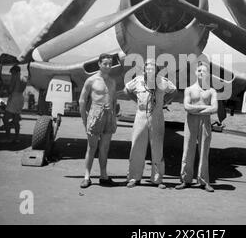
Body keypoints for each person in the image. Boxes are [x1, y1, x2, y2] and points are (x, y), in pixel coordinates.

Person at [124, 59, 176, 189]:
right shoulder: (138, 80)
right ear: (144, 69)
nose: (150, 70)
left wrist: (164, 102)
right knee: (136, 146)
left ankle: (157, 179)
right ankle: (134, 178)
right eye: (148, 67)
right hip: (141, 115)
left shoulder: (162, 81)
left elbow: (174, 91)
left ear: (157, 70)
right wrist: (135, 101)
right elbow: (126, 90)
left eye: (153, 67)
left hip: (157, 116)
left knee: (157, 148)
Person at [175, 61, 218, 192]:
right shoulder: (189, 89)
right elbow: (186, 107)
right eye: (199, 70)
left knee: (204, 151)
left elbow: (215, 108)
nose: (201, 73)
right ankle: (185, 180)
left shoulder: (211, 91)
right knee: (187, 150)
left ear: (208, 74)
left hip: (205, 122)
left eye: (204, 71)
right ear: (195, 72)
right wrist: (206, 107)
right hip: (191, 122)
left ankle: (204, 181)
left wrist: (196, 109)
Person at [78, 53, 118, 188]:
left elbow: (114, 100)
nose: (108, 66)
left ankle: (103, 175)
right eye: (105, 63)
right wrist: (84, 119)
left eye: (110, 64)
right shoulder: (91, 80)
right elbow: (82, 101)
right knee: (92, 147)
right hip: (95, 114)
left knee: (104, 148)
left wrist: (114, 117)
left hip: (109, 115)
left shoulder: (112, 81)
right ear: (99, 64)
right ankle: (87, 177)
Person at [1, 65, 27, 143]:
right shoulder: (24, 78)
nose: (11, 74)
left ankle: (8, 137)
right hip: (21, 98)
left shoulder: (15, 77)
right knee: (16, 120)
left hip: (14, 97)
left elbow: (10, 89)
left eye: (12, 72)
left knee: (5, 119)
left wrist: (4, 91)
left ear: (15, 71)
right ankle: (17, 138)